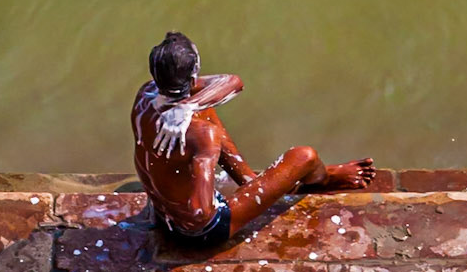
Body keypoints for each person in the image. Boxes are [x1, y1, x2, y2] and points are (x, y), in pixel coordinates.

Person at [132, 30, 376, 251]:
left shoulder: (145, 96)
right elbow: (200, 215)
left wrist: (189, 107)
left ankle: (249, 181)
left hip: (164, 216)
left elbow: (232, 82)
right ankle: (322, 180)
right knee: (305, 157)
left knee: (205, 109)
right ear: (195, 74)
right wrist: (207, 151)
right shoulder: (202, 135)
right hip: (198, 233)